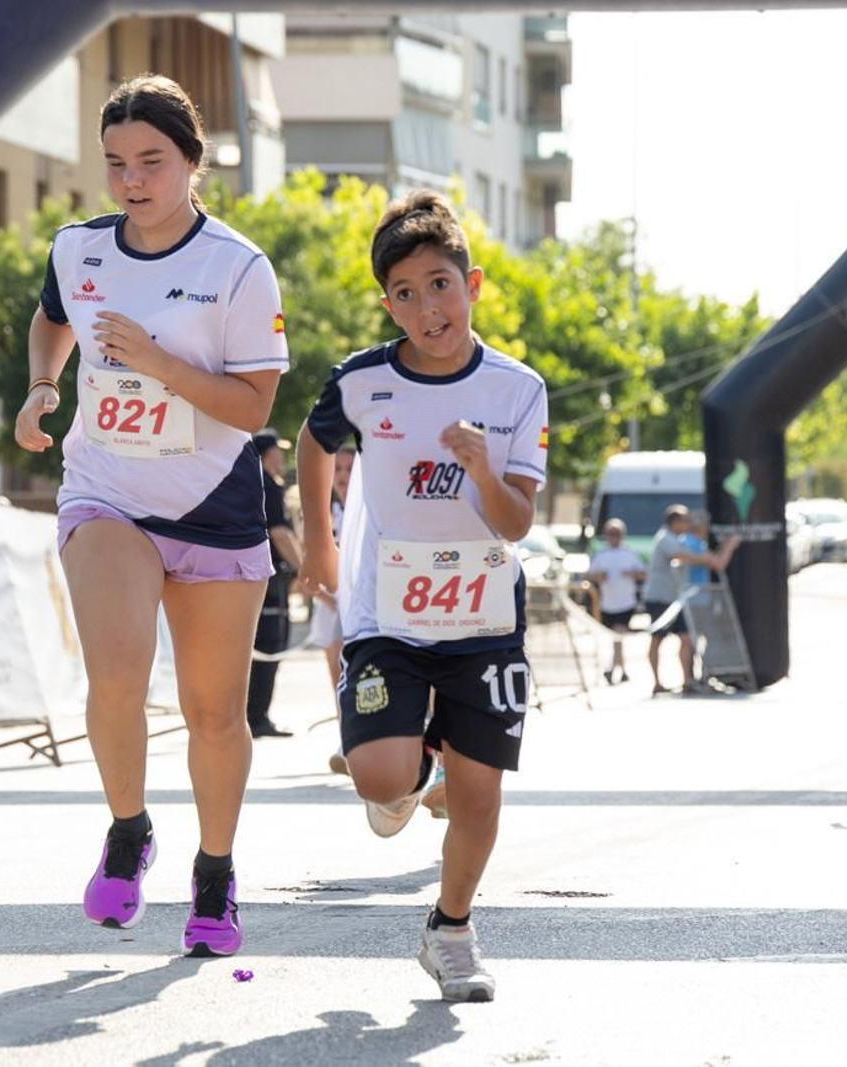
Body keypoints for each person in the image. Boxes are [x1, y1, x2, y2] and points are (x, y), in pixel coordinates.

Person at [13, 74, 288, 958]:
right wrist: (45, 388)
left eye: (152, 163)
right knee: (118, 674)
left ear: (193, 162)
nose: (133, 181)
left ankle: (214, 871)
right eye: (117, 164)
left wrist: (162, 364)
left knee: (214, 713)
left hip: (213, 502)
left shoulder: (239, 268)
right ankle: (128, 829)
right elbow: (52, 321)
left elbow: (251, 408)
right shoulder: (78, 249)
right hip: (108, 489)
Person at [297, 190, 548, 1003]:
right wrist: (321, 545)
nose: (425, 307)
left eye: (439, 284)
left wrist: (481, 469)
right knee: (378, 778)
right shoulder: (363, 381)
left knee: (479, 795)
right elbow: (312, 440)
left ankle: (452, 929)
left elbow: (515, 519)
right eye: (404, 293)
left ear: (472, 285)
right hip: (388, 615)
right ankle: (413, 754)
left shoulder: (518, 390)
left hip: (483, 619)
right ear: (387, 304)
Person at [644, 505, 737, 695]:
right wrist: (710, 557)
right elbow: (684, 557)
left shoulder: (678, 540)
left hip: (677, 600)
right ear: (675, 522)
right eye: (686, 520)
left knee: (687, 639)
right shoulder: (666, 539)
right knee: (657, 640)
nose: (689, 524)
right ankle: (656, 683)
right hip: (660, 598)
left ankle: (687, 681)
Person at [247, 429, 300, 738]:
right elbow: (279, 534)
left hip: (253, 572)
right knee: (269, 647)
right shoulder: (270, 485)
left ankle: (250, 714)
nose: (282, 457)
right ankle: (258, 716)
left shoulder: (249, 482)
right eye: (278, 451)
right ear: (269, 453)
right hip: (270, 576)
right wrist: (306, 569)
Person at [313, 445, 356, 774]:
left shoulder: (369, 507)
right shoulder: (323, 513)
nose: (342, 477)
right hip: (331, 602)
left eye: (349, 469)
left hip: (363, 601)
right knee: (337, 673)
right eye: (337, 470)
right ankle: (346, 738)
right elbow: (309, 565)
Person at [586, 518, 645, 685]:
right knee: (616, 639)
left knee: (618, 636)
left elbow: (643, 574)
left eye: (617, 533)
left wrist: (631, 574)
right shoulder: (601, 555)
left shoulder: (630, 554)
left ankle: (612, 669)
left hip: (626, 602)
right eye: (611, 533)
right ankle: (622, 670)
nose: (614, 537)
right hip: (608, 604)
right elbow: (589, 575)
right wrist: (599, 577)